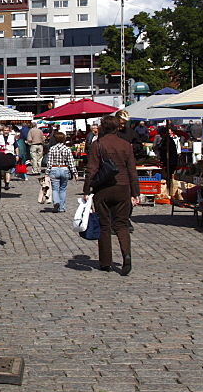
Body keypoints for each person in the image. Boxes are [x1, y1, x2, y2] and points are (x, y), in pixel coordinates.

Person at [83, 115, 139, 275]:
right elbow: (132, 171)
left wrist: (86, 189)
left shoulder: (97, 144)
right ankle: (126, 255)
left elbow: (91, 169)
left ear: (103, 128)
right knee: (121, 224)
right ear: (117, 128)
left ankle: (105, 261)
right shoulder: (126, 145)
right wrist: (135, 192)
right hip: (123, 187)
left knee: (105, 225)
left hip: (103, 189)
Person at [47, 131, 77, 212]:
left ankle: (56, 202)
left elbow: (49, 162)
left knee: (55, 189)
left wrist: (47, 172)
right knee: (63, 189)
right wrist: (75, 173)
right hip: (64, 169)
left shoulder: (52, 148)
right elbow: (71, 162)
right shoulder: (67, 149)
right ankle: (62, 207)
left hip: (54, 169)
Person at [0, 126, 18, 190]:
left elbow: (16, 147)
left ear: (9, 131)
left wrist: (17, 155)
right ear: (3, 131)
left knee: (8, 171)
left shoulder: (12, 138)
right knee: (3, 172)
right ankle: (5, 182)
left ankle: (7, 184)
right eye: (5, 130)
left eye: (7, 130)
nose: (6, 132)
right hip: (2, 155)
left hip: (10, 155)